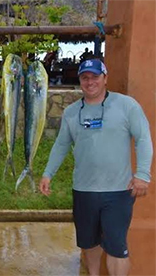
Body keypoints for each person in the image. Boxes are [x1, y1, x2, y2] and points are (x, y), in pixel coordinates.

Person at [39, 59, 152, 276]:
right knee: (89, 243)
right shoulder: (72, 112)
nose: (90, 82)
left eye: (95, 76)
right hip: (84, 190)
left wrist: (143, 174)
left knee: (117, 247)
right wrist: (47, 173)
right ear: (80, 80)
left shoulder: (126, 105)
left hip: (118, 191)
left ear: (105, 79)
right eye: (85, 77)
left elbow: (143, 139)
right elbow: (61, 145)